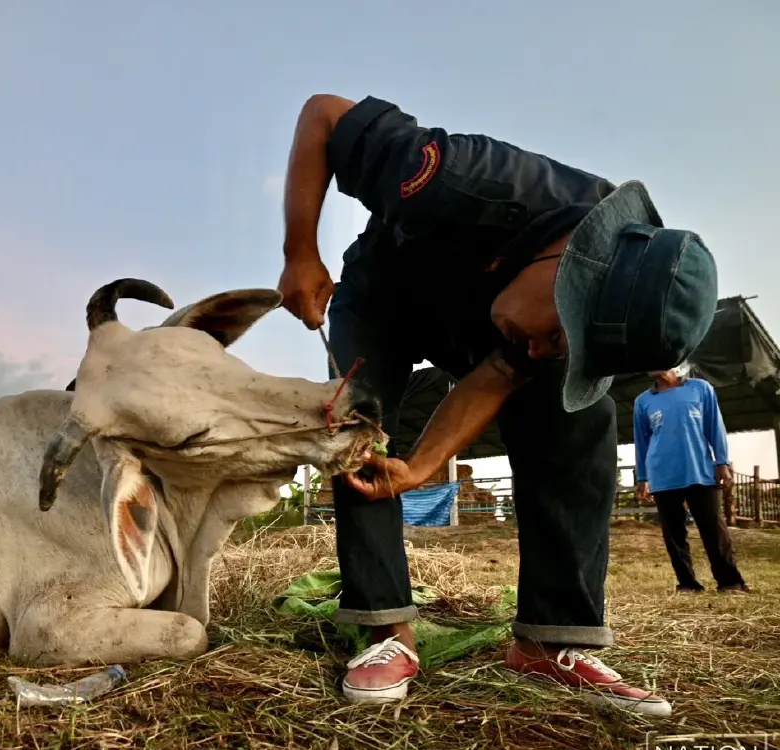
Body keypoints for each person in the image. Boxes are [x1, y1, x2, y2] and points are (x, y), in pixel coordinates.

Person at [276, 94, 719, 718]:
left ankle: (551, 639)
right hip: (385, 297)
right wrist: (301, 249)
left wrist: (424, 467)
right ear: (569, 265)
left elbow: (501, 372)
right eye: (562, 331)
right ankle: (385, 633)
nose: (543, 349)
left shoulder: (554, 324)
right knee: (360, 424)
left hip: (479, 318)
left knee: (576, 417)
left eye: (565, 346)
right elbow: (322, 113)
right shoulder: (460, 175)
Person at [633, 365, 750, 594]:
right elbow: (642, 441)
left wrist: (722, 462)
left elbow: (714, 426)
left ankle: (730, 581)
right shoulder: (643, 401)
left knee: (713, 529)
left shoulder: (700, 388)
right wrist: (643, 477)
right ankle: (687, 583)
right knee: (673, 533)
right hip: (662, 474)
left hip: (700, 470)